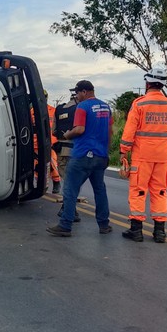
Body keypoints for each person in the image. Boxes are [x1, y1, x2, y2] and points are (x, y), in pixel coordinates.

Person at [120, 68, 167, 243]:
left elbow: (129, 130)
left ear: (147, 83)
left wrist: (124, 150)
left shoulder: (140, 104)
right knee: (160, 191)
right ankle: (160, 232)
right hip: (163, 156)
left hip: (142, 155)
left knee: (139, 190)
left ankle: (136, 230)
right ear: (162, 85)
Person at [46, 80, 113, 237]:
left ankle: (65, 225)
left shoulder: (82, 107)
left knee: (70, 189)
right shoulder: (106, 107)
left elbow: (80, 129)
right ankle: (104, 225)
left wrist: (68, 134)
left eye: (77, 93)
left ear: (84, 92)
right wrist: (106, 152)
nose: (77, 96)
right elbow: (110, 131)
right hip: (100, 155)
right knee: (100, 190)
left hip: (82, 155)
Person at [52, 91, 81, 222]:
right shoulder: (80, 110)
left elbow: (54, 131)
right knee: (74, 181)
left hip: (62, 150)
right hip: (76, 150)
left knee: (67, 180)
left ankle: (68, 207)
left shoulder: (59, 109)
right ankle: (69, 208)